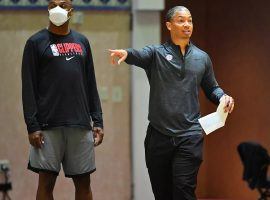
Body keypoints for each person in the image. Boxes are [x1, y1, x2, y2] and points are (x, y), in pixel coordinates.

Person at [109, 6, 234, 200]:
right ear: (169, 25)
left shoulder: (202, 58)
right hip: (158, 137)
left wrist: (223, 97)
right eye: (181, 20)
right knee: (163, 194)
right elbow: (139, 54)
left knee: (184, 191)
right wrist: (127, 53)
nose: (187, 25)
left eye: (190, 20)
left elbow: (212, 88)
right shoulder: (156, 53)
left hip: (189, 136)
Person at [21, 0, 104, 199]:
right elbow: (28, 87)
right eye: (53, 4)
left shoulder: (82, 41)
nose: (58, 9)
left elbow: (90, 83)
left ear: (71, 11)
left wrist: (98, 120)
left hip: (80, 124)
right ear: (48, 9)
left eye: (64, 4)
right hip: (47, 125)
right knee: (46, 182)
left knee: (84, 183)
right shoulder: (35, 42)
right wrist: (32, 126)